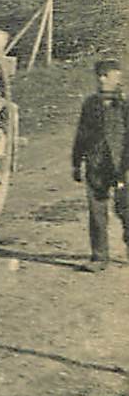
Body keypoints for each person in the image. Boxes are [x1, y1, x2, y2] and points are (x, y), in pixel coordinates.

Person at [72, 58, 129, 272]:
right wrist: (76, 163)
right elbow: (81, 134)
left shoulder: (125, 104)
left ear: (117, 78)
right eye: (101, 76)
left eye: (108, 76)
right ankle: (99, 257)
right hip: (96, 165)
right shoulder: (90, 104)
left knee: (126, 210)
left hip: (122, 165)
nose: (103, 80)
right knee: (96, 211)